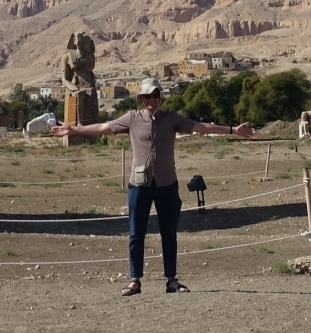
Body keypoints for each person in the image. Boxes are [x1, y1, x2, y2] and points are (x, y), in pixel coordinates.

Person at [54, 77, 253, 295]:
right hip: (139, 185)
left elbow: (200, 127)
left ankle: (171, 280)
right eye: (147, 96)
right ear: (142, 98)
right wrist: (74, 130)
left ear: (160, 97)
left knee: (169, 234)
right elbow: (104, 127)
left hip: (167, 184)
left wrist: (233, 130)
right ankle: (135, 280)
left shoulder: (171, 118)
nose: (151, 99)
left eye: (155, 95)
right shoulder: (132, 118)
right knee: (136, 233)